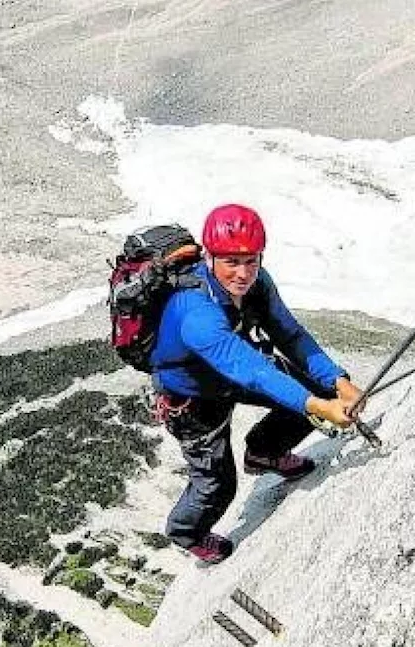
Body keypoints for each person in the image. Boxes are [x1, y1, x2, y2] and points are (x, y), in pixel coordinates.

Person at [150, 204, 363, 563]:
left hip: (227, 373)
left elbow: (290, 334)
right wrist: (319, 407)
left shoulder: (257, 284)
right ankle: (186, 532)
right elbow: (253, 371)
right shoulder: (195, 311)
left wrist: (338, 381)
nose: (243, 273)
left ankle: (264, 453)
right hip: (192, 398)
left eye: (251, 260)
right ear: (210, 258)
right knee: (217, 485)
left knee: (316, 386)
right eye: (231, 262)